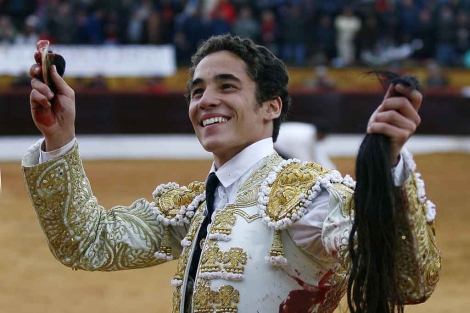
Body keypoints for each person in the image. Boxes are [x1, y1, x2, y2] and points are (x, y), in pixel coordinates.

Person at [22, 34, 440, 312]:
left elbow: (408, 281)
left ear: (270, 106)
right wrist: (60, 137)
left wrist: (389, 170)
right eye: (197, 90)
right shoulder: (194, 205)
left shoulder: (307, 197)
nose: (206, 100)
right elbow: (88, 242)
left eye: (226, 86)